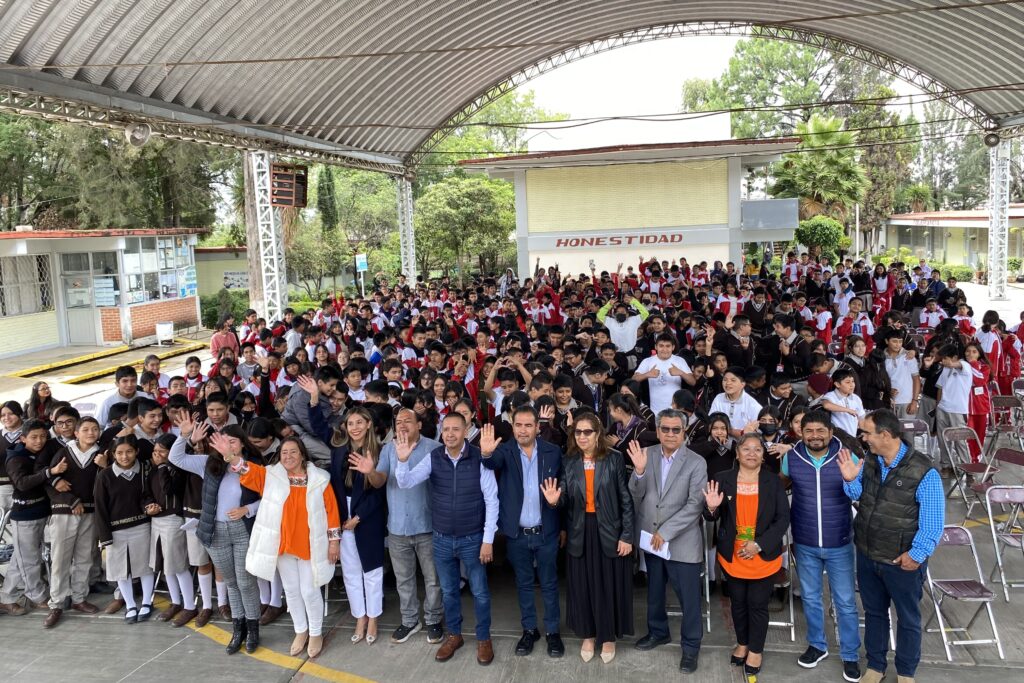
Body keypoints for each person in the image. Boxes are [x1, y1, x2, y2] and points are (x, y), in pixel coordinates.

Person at [839, 409, 945, 683]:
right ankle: (876, 666)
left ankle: (906, 672)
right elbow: (858, 495)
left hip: (902, 561)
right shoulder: (871, 461)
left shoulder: (924, 470)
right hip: (868, 554)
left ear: (885, 435)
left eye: (866, 433)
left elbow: (932, 522)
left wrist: (916, 555)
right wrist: (850, 479)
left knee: (908, 619)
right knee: (874, 613)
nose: (862, 438)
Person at [395, 412, 499, 666]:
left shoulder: (478, 459)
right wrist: (402, 461)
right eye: (446, 429)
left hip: (473, 538)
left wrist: (488, 540)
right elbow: (406, 482)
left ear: (466, 431)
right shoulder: (434, 457)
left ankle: (483, 638)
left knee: (480, 592)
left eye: (456, 429)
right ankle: (454, 635)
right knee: (449, 592)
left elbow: (492, 500)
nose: (450, 434)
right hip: (441, 539)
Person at [224, 435, 341, 658]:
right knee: (292, 591)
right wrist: (230, 456)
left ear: (303, 455)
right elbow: (248, 472)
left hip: (311, 546)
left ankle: (316, 632)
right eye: (284, 452)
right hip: (284, 546)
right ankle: (301, 631)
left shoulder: (319, 479)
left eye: (293, 452)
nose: (288, 456)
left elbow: (332, 512)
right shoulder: (272, 475)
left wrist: (334, 542)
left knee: (309, 590)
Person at [169, 414, 265, 655]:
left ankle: (253, 630)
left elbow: (269, 495)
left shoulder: (252, 466)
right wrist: (184, 436)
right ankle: (238, 628)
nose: (228, 446)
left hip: (244, 529)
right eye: (224, 441)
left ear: (242, 444)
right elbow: (175, 458)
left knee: (245, 581)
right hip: (216, 530)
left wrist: (248, 509)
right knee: (231, 582)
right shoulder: (208, 464)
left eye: (233, 441)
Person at [781, 411, 862, 682]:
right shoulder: (791, 457)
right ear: (800, 433)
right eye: (809, 431)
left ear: (830, 431)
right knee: (811, 598)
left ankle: (850, 655)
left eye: (820, 431)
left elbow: (860, 494)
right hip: (804, 541)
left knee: (845, 602)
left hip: (839, 541)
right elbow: (780, 488)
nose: (814, 436)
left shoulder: (846, 455)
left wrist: (852, 479)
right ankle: (817, 645)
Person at [703, 433, 790, 683]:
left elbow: (782, 519)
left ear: (763, 456)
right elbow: (712, 516)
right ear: (737, 453)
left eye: (757, 450)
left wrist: (759, 545)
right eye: (746, 449)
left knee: (757, 604)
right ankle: (742, 643)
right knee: (737, 603)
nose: (752, 454)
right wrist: (710, 508)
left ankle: (755, 650)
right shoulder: (722, 479)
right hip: (733, 554)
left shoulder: (774, 482)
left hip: (762, 554)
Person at [479, 407, 566, 657]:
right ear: (513, 426)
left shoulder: (552, 452)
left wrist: (559, 519)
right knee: (524, 584)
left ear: (538, 427)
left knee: (549, 584)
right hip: (517, 534)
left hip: (546, 531)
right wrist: (486, 453)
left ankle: (552, 632)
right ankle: (529, 630)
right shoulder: (504, 451)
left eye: (529, 425)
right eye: (519, 425)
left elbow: (563, 491)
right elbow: (491, 462)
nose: (523, 430)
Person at [627, 409, 708, 674]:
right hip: (652, 540)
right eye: (665, 429)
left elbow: (695, 504)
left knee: (689, 599)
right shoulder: (647, 455)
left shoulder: (696, 462)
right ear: (658, 430)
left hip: (681, 541)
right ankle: (658, 632)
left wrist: (667, 531)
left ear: (684, 431)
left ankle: (691, 646)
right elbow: (635, 495)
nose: (670, 434)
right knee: (654, 592)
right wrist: (638, 473)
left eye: (676, 429)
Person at [365, 408, 445, 645]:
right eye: (398, 421)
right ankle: (410, 620)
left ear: (419, 425)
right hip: (398, 527)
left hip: (428, 525)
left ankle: (433, 620)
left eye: (407, 421)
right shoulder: (389, 448)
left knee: (433, 579)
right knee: (404, 580)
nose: (402, 425)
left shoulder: (433, 448)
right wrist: (370, 472)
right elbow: (380, 480)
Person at [562, 411, 634, 663]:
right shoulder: (569, 460)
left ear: (598, 434)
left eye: (587, 432)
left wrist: (626, 535)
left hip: (609, 531)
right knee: (583, 586)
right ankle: (588, 635)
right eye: (578, 432)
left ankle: (607, 637)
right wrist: (553, 501)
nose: (582, 436)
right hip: (580, 531)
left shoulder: (613, 459)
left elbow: (626, 500)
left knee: (607, 586)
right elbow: (564, 498)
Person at [44, 417, 105, 627]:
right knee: (60, 559)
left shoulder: (101, 455)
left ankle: (79, 598)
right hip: (64, 512)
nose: (90, 433)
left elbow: (108, 484)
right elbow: (51, 483)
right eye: (85, 429)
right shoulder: (64, 453)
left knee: (85, 557)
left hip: (90, 513)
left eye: (95, 429)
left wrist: (105, 466)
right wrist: (71, 501)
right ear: (76, 433)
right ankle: (57, 603)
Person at [94, 435, 156, 624]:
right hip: (116, 530)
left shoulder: (145, 471)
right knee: (121, 569)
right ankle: (130, 604)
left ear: (137, 451)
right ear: (112, 455)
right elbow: (100, 507)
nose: (124, 456)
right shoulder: (104, 476)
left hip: (141, 526)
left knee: (145, 567)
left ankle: (146, 602)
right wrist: (105, 537)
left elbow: (148, 495)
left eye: (129, 451)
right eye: (119, 453)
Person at [633, 332, 695, 413]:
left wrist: (681, 373)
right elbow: (633, 380)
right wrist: (647, 374)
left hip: (676, 411)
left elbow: (693, 382)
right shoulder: (647, 361)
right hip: (654, 411)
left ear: (673, 347)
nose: (664, 349)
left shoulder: (680, 361)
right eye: (661, 346)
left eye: (668, 346)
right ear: (656, 347)